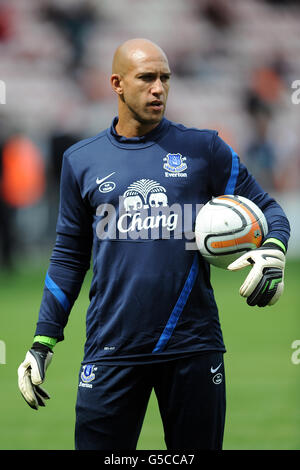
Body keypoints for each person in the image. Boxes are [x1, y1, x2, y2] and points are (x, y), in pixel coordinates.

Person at [18, 38, 290, 450]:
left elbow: (270, 209)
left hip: (193, 347)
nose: (158, 88)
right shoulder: (81, 159)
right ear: (117, 84)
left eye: (165, 78)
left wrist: (274, 249)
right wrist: (43, 339)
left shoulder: (203, 149)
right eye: (146, 77)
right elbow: (69, 257)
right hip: (111, 347)